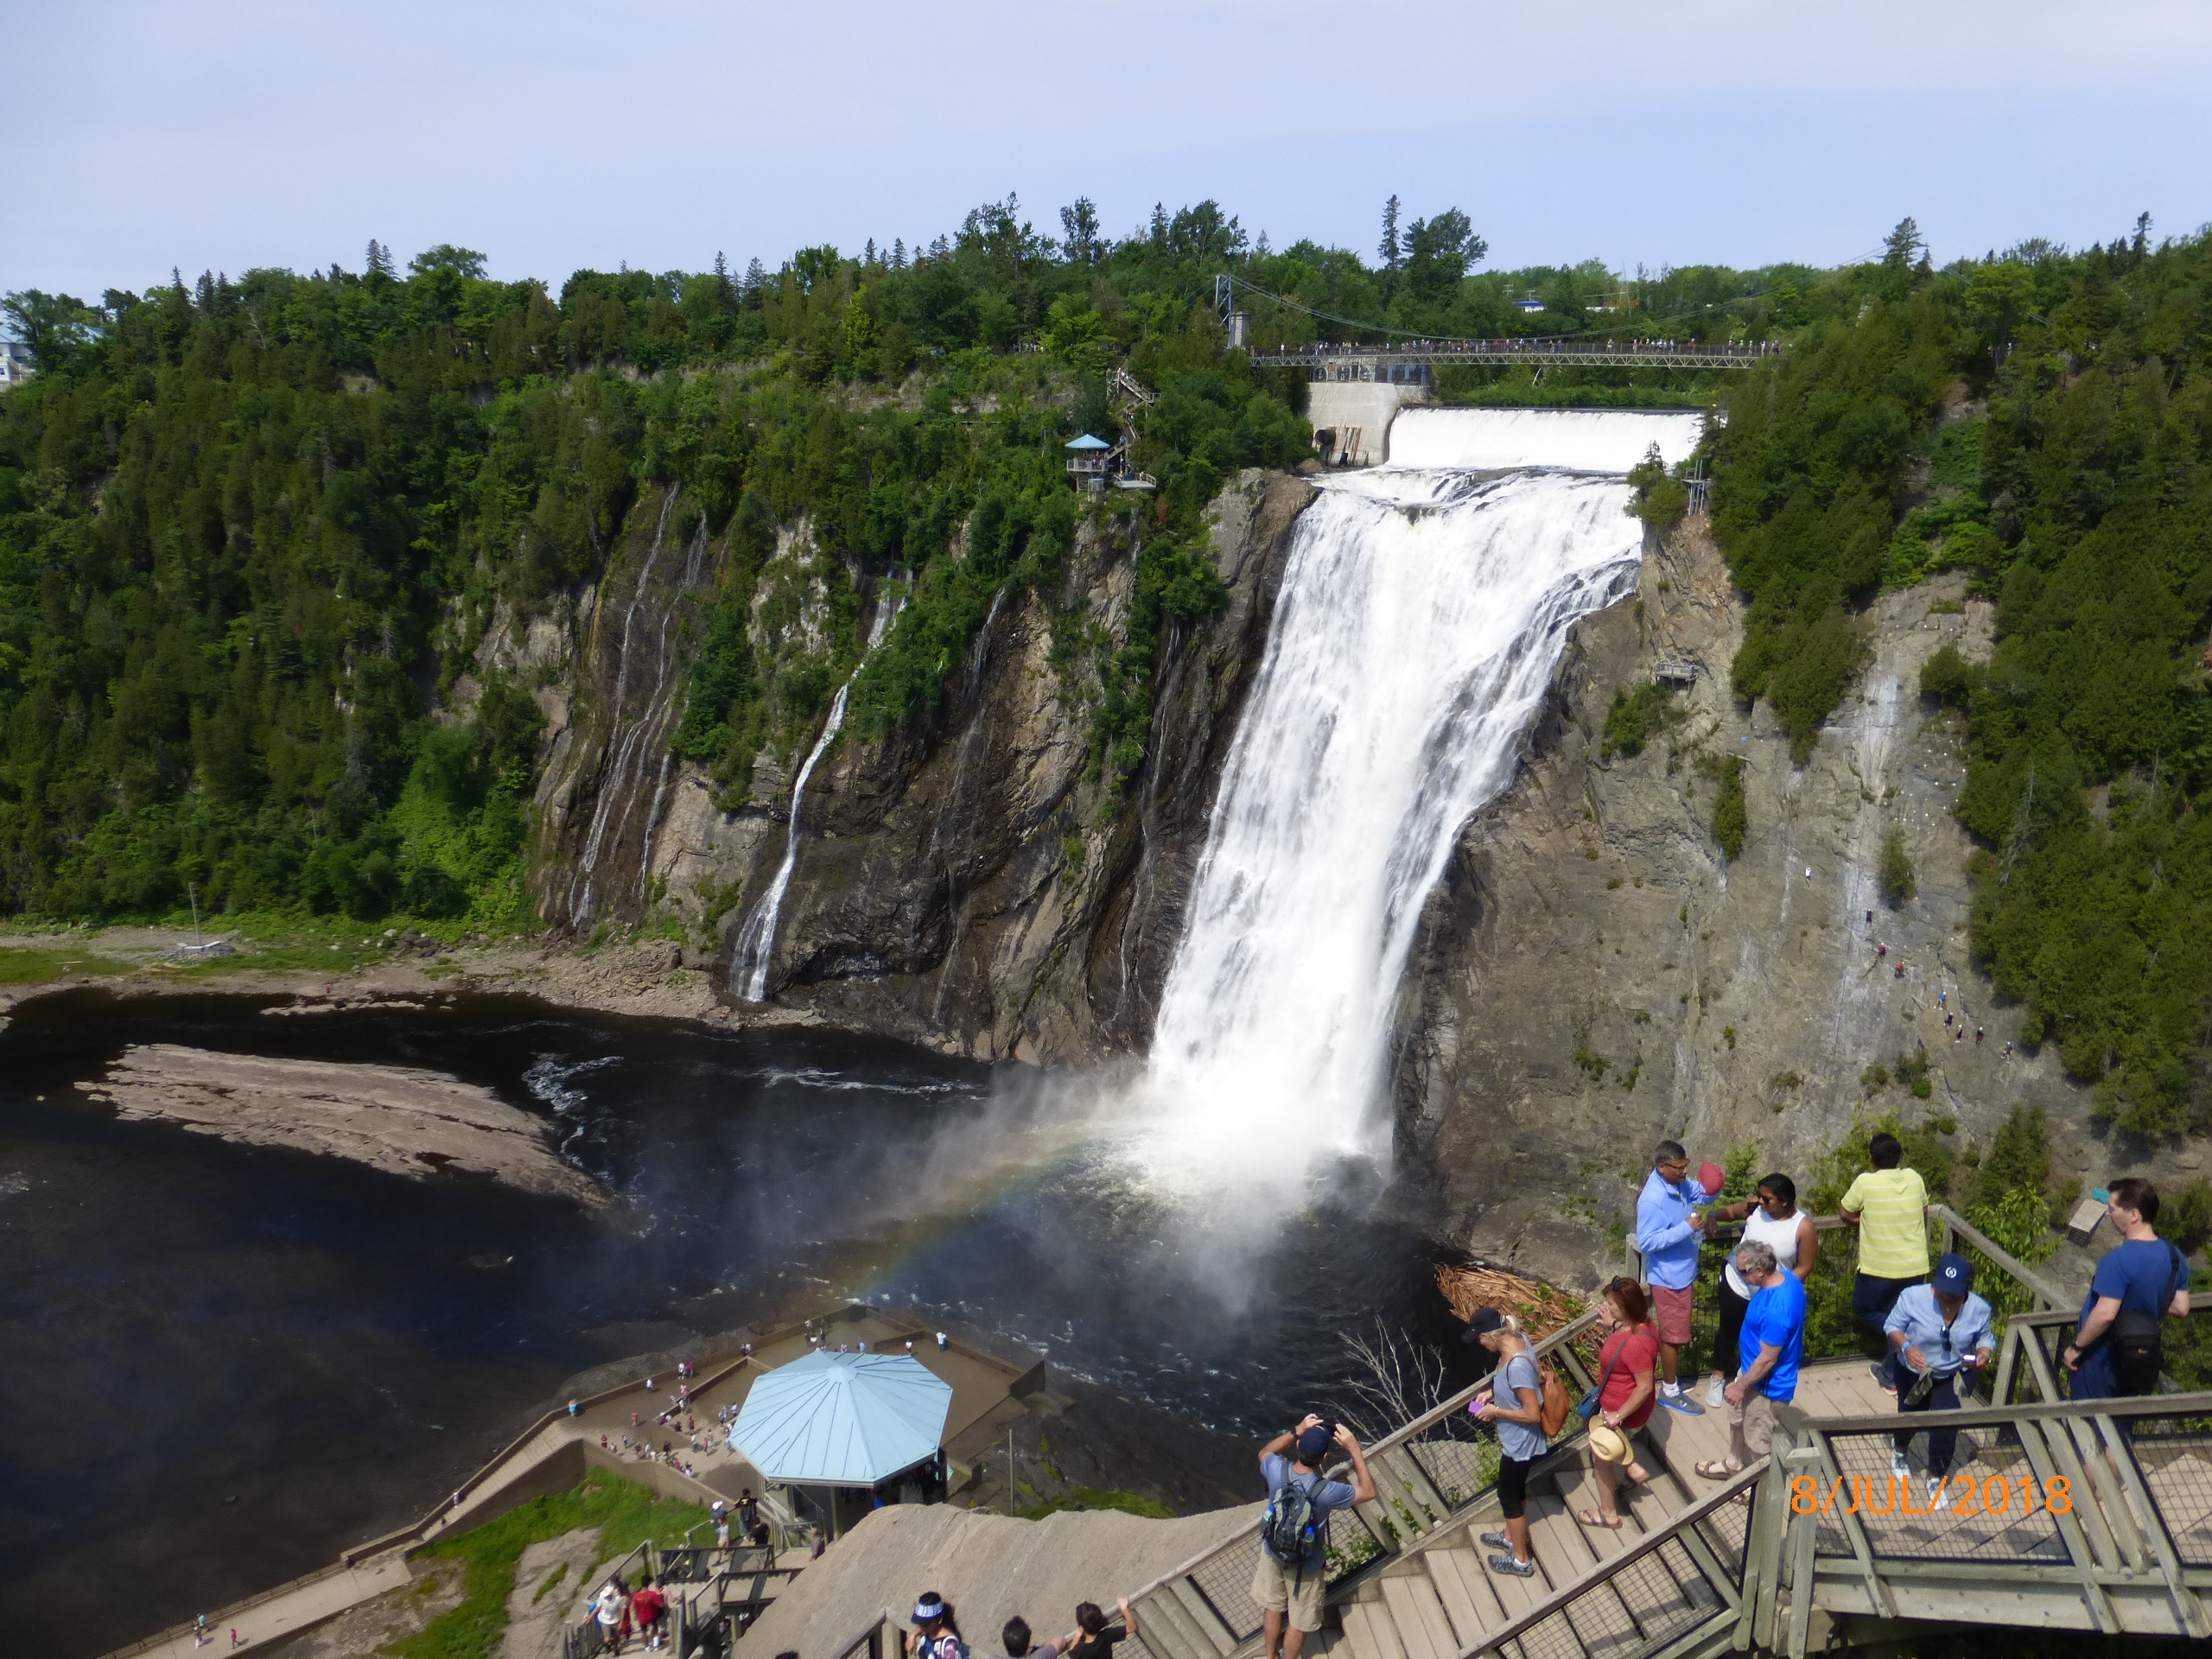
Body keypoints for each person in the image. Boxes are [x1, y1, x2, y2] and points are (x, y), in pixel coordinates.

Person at [1252, 1414, 1374, 1659]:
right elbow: (1368, 1492)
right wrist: (1354, 1450)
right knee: (1299, 1621)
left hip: (1273, 1551)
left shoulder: (1277, 1471)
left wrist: (1297, 1430)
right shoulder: (1327, 1491)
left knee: (1273, 1607)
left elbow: (1264, 1451)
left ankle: (1270, 1656)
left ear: (1298, 1446)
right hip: (1307, 1564)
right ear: (1324, 1458)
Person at [2064, 1177, 2192, 1398]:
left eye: (2112, 1208)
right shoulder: (2175, 1256)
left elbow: (2105, 1314)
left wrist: (2076, 1348)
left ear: (2134, 1215)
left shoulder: (2117, 1260)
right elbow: (2181, 1308)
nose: (2107, 1213)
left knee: (2085, 1427)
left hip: (2102, 1360)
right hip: (2138, 1360)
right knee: (2121, 1429)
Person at [1884, 1253, 1993, 1509]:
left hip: (1949, 1374)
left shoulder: (1980, 1309)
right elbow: (1892, 1326)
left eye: (1952, 1292)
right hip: (1913, 1371)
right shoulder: (1912, 1296)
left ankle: (1936, 1476)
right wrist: (1908, 1347)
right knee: (1910, 1415)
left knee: (1947, 1424)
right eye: (1941, 1289)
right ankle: (1900, 1450)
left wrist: (1984, 1354)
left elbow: (1986, 1339)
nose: (1944, 1295)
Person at [1701, 1173, 1818, 1408]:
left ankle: (1748, 1378)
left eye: (1767, 1199)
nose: (1761, 1201)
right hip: (1737, 1282)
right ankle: (1717, 1377)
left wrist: (1781, 1288)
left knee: (1761, 1339)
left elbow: (1805, 1265)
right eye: (1761, 1196)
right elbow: (1733, 1211)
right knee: (1728, 1330)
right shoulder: (1756, 1208)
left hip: (1768, 1293)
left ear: (1784, 1201)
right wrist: (1714, 1216)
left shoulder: (1803, 1227)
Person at [1696, 1240, 1805, 1479]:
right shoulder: (1787, 1278)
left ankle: (1758, 1489)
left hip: (1765, 1387)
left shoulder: (1777, 1310)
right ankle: (1734, 1463)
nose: (1740, 1276)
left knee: (1758, 1442)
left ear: (1759, 1270)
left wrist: (1741, 1387)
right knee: (1737, 1419)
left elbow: (1767, 1360)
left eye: (1743, 1271)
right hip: (1748, 1373)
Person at [1840, 1131, 1930, 1373]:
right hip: (1914, 1264)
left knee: (1864, 1308)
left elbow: (1846, 1213)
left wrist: (1865, 1221)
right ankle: (1891, 1374)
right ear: (1899, 1157)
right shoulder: (1914, 1178)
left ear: (1871, 1158)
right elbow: (1924, 1208)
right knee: (1900, 1314)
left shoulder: (1866, 1182)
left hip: (1879, 1267)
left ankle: (1905, 1341)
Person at [1466, 1306, 1546, 1578]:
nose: (1479, 1343)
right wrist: (1493, 1393)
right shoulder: (1518, 1339)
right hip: (1517, 1440)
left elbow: (1533, 1414)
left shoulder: (1517, 1364)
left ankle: (1521, 1560)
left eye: (1479, 1338)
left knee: (1508, 1497)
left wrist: (1496, 1411)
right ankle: (1510, 1536)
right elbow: (1512, 1385)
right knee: (1515, 1491)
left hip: (1521, 1444)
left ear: (1492, 1336)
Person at [1633, 1141, 1709, 1414]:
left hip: (1683, 1273)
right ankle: (1669, 1390)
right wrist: (1685, 1228)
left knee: (1676, 1334)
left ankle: (1672, 1381)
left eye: (1686, 1165)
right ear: (1661, 1167)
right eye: (1679, 1167)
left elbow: (1701, 1195)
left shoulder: (1678, 1184)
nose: (1685, 1171)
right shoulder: (1653, 1200)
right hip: (1669, 1279)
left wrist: (1713, 1187)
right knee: (1672, 1337)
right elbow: (1648, 1242)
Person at [1579, 1277, 1658, 1530]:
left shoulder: (1636, 1343)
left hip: (1620, 1411)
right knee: (1590, 1424)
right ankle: (1631, 1466)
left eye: (1611, 1303)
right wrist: (1613, 1323)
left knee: (1600, 1453)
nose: (1606, 1306)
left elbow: (1644, 1385)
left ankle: (1608, 1514)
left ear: (1626, 1307)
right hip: (1615, 1405)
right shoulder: (1644, 1326)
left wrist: (1618, 1416)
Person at [1062, 1599, 1135, 1659]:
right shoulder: (1107, 1635)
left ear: (1082, 1627)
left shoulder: (1080, 1650)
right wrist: (1124, 1608)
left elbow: (1071, 1651)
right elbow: (1131, 1628)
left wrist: (1077, 1636)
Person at [908, 1593, 966, 1659]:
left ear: (939, 1620)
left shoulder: (949, 1646)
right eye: (920, 1623)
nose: (922, 1627)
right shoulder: (928, 1633)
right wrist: (912, 1635)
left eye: (926, 1624)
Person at [630, 1575, 668, 1651]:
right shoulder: (652, 1594)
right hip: (652, 1615)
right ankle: (656, 1646)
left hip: (642, 1616)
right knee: (655, 1630)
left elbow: (633, 1608)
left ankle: (647, 1647)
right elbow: (661, 1605)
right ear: (648, 1584)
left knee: (644, 1632)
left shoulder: (636, 1596)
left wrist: (636, 1615)